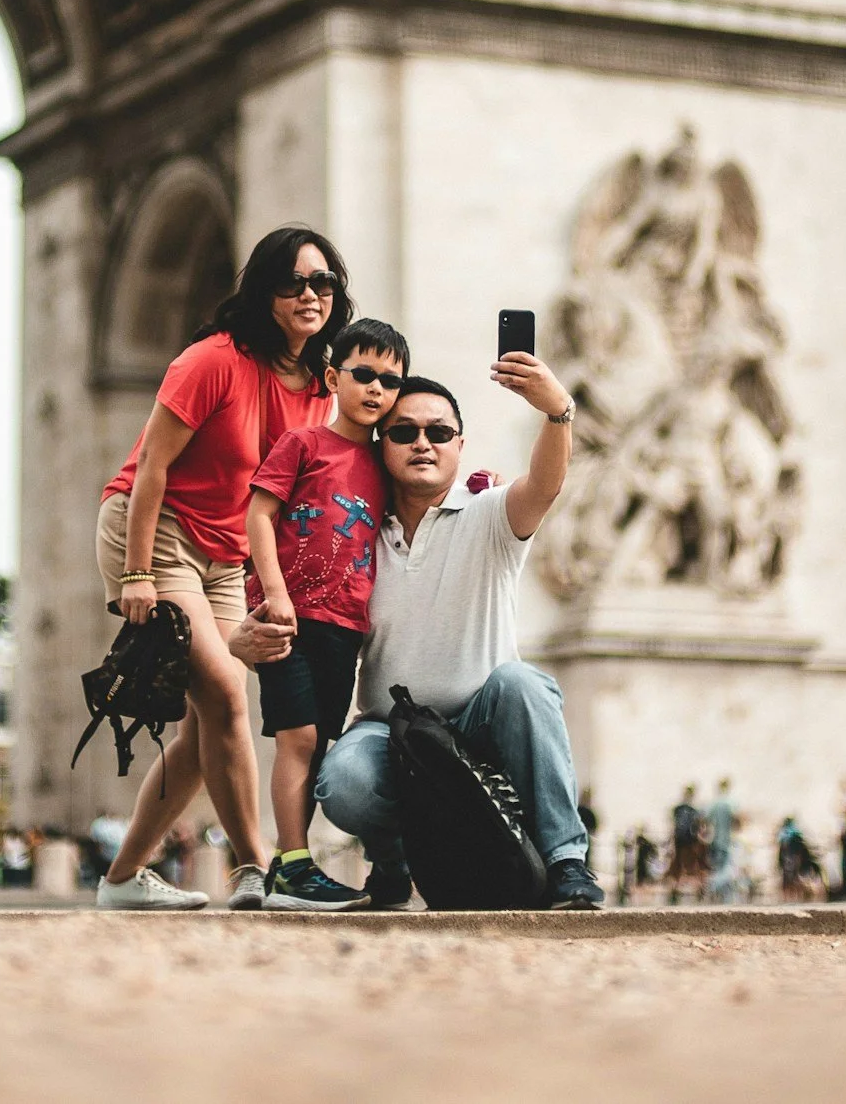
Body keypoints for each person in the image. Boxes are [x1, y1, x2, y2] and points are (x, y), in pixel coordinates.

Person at [94, 228, 353, 912]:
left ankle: (121, 881)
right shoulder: (211, 360)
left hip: (225, 555)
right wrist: (137, 574)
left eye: (323, 282)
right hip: (156, 534)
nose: (310, 295)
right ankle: (261, 870)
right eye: (294, 282)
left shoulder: (318, 385)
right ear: (264, 290)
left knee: (203, 722)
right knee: (229, 699)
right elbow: (152, 466)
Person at [309, 356, 607, 911]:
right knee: (345, 780)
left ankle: (567, 863)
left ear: (460, 446)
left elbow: (545, 484)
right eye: (404, 432)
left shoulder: (491, 513)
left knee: (524, 685)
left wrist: (558, 411)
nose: (423, 443)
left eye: (439, 432)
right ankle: (391, 863)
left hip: (485, 723)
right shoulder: (353, 533)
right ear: (381, 446)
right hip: (391, 733)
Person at [244, 317, 410, 912]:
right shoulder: (303, 444)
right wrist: (274, 592)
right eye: (362, 374)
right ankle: (290, 864)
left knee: (318, 745)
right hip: (288, 619)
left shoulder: (385, 466)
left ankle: (293, 869)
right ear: (334, 377)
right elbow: (258, 517)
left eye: (390, 381)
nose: (376, 389)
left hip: (345, 627)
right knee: (300, 737)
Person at [669, 786, 709, 899]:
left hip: (679, 839)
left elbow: (673, 824)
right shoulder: (694, 809)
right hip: (691, 840)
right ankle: (700, 888)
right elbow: (700, 826)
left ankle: (675, 887)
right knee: (696, 863)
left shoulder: (677, 808)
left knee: (678, 863)